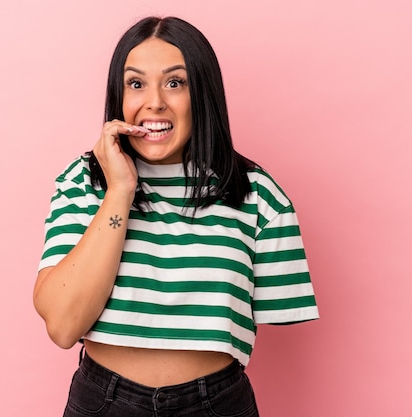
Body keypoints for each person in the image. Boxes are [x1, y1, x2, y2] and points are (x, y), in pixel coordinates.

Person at [33, 16, 319, 417]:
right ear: (119, 96)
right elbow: (63, 326)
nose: (154, 102)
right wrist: (119, 191)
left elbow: (273, 317)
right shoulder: (84, 181)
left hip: (217, 404)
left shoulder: (257, 193)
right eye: (136, 84)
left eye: (174, 83)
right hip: (104, 402)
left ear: (202, 93)